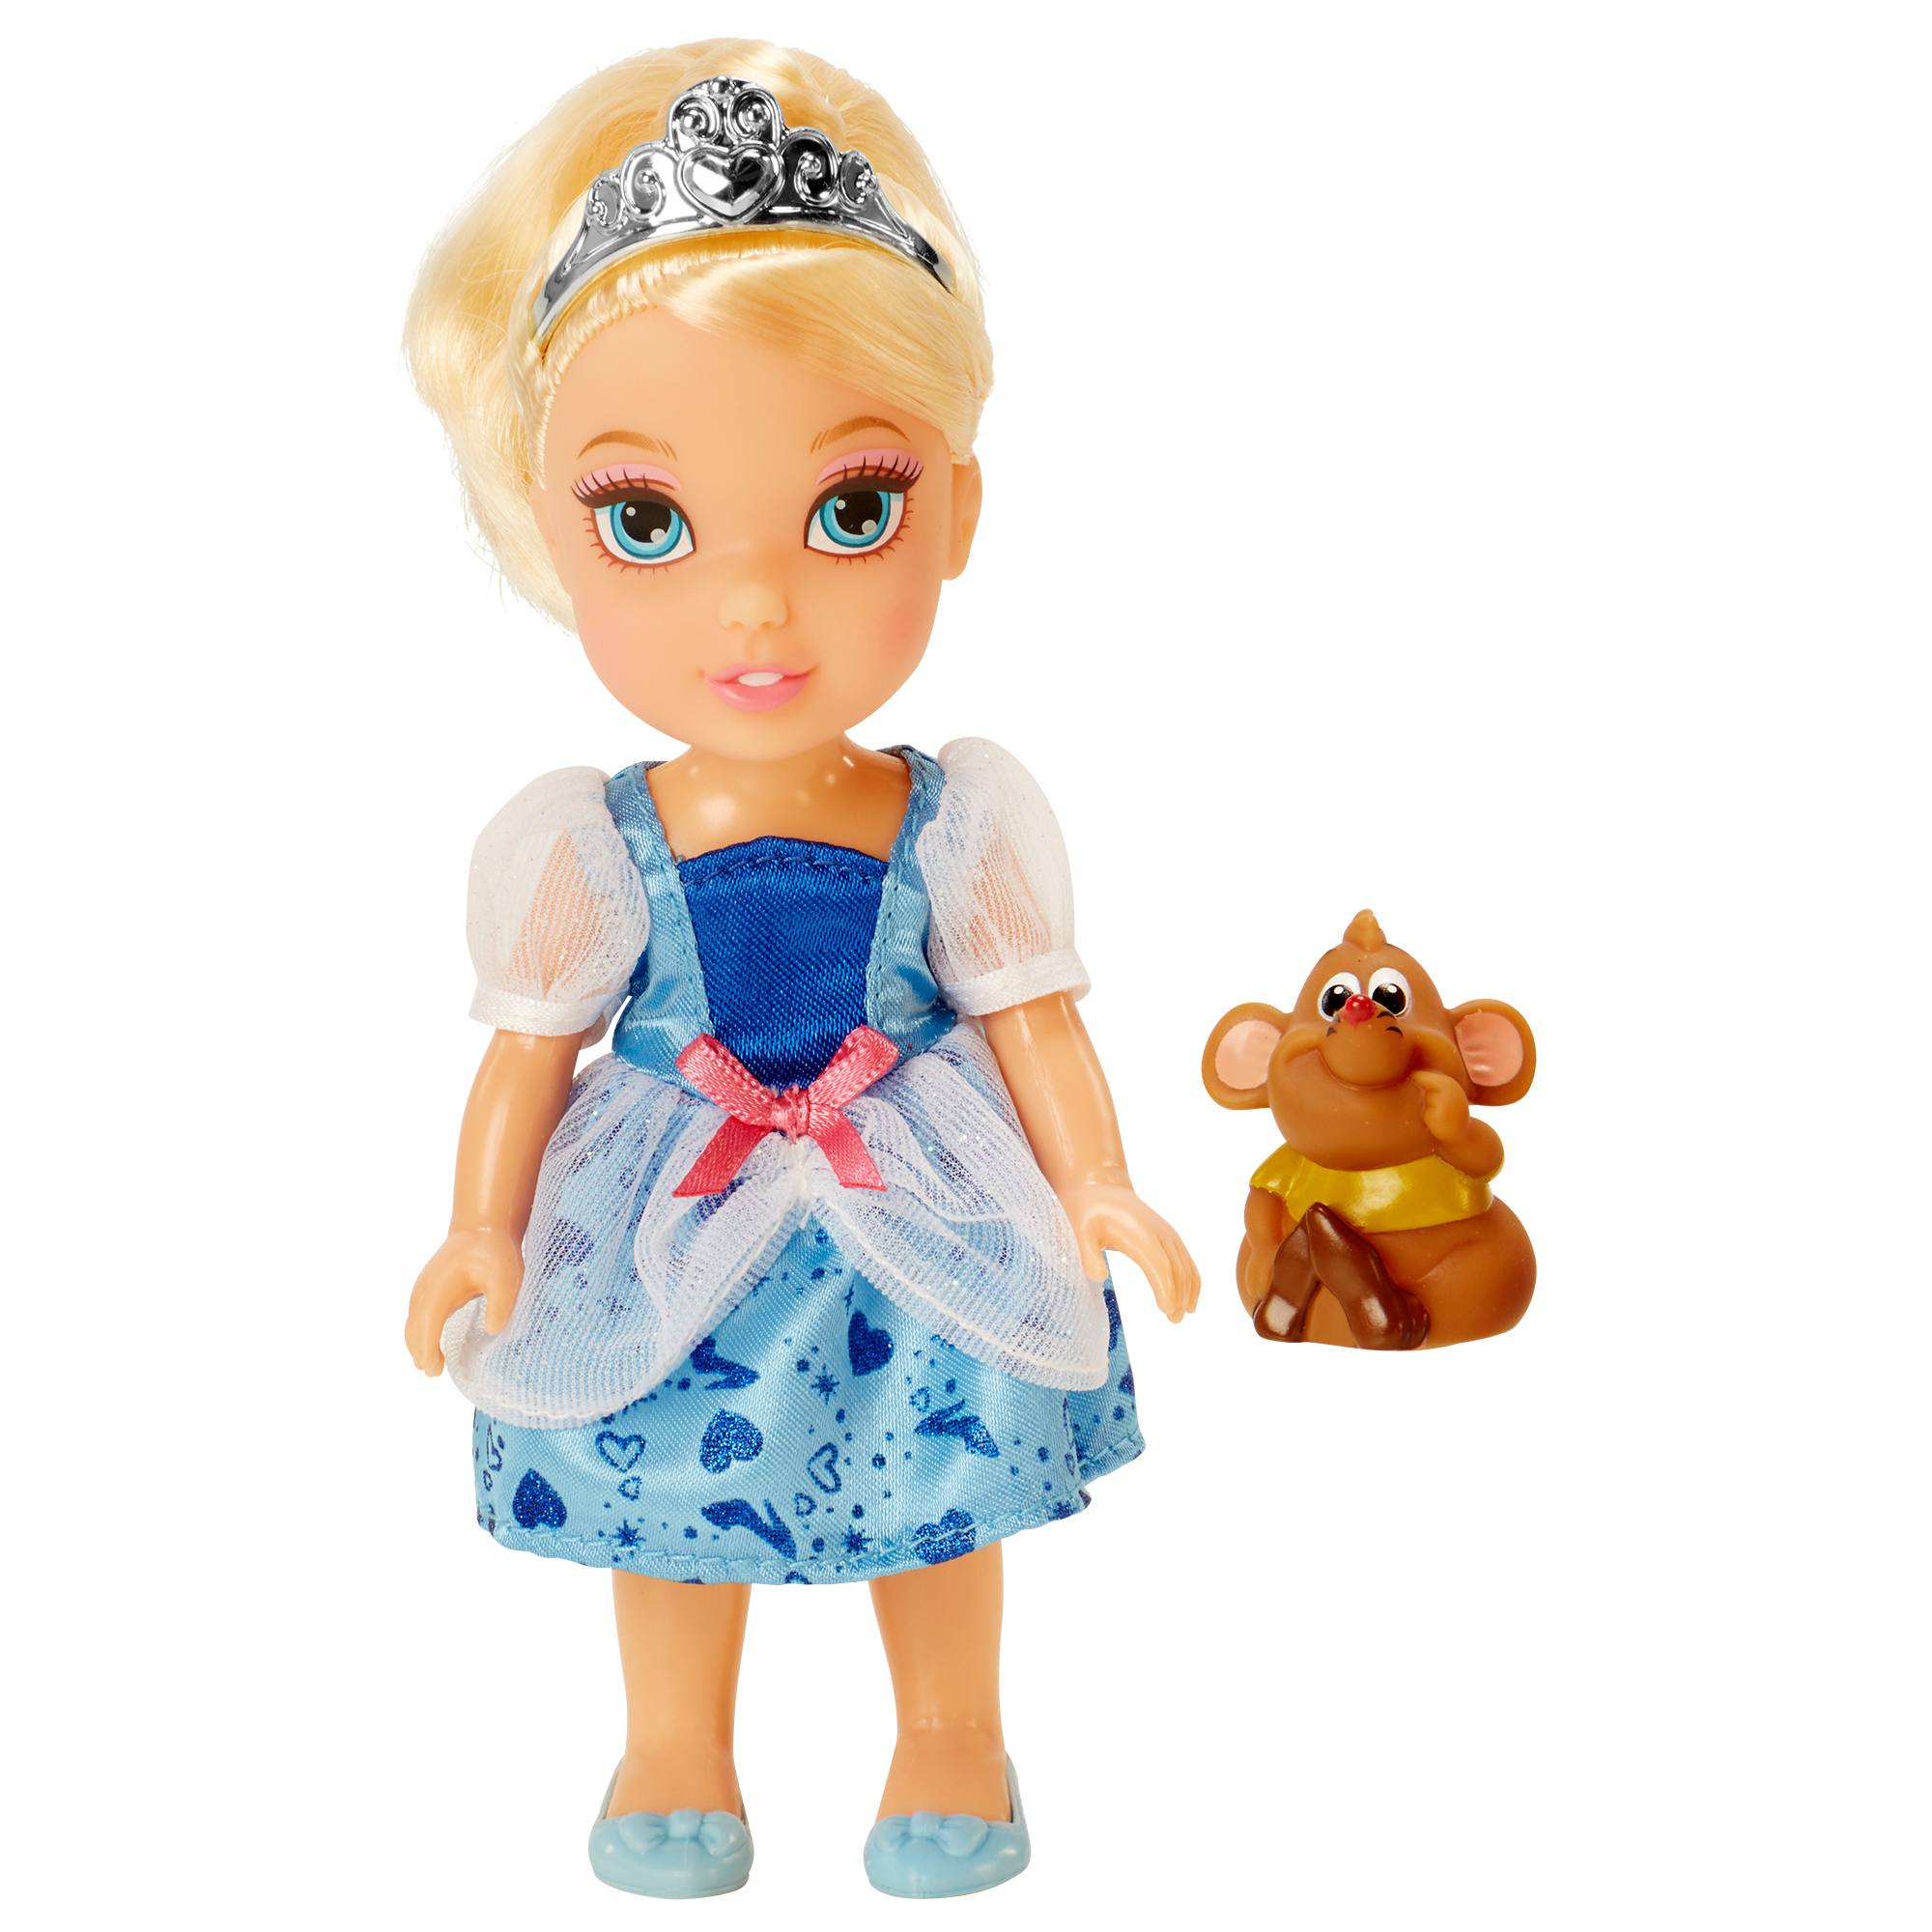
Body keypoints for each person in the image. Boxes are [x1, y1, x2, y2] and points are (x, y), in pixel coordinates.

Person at [402, 40, 1199, 1900]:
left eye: (854, 509)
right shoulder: (593, 841)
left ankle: (953, 1730)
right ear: (547, 527)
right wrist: (481, 1230)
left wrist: (1094, 1182)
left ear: (960, 509)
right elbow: (525, 1061)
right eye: (649, 523)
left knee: (939, 1461)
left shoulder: (958, 817)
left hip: (918, 1183)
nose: (754, 602)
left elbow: (1030, 1014)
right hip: (668, 1196)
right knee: (662, 1471)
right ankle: (674, 1736)